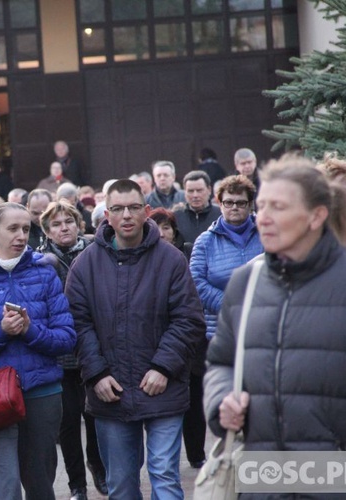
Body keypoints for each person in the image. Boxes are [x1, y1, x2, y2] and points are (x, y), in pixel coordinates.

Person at [204, 157, 346, 496]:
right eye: (261, 205)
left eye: (277, 207)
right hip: (264, 475)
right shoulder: (245, 282)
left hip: (344, 477)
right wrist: (222, 400)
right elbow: (221, 362)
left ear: (316, 215)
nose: (262, 217)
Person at [65, 179, 205, 499]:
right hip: (109, 393)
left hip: (163, 388)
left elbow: (188, 319)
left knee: (165, 477)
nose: (126, 215)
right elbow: (77, 324)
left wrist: (163, 367)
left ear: (145, 212)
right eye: (117, 208)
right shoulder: (86, 265)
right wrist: (97, 374)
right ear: (106, 216)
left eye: (132, 208)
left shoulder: (170, 259)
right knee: (122, 485)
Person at [0, 202, 77, 500]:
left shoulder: (45, 272)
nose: (21, 235)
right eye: (13, 228)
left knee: (40, 483)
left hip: (42, 392)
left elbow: (66, 339)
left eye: (26, 228)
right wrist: (0, 332)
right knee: (6, 483)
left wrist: (29, 331)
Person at [187, 174, 262, 469]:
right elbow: (197, 282)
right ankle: (230, 457)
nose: (234, 208)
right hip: (218, 331)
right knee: (227, 398)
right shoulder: (206, 241)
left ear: (250, 204)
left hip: (261, 327)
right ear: (218, 203)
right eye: (228, 202)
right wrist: (232, 307)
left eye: (240, 203)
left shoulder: (264, 233)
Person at [37, 201, 107, 500]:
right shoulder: (40, 260)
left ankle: (99, 470)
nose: (63, 227)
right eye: (56, 224)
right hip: (60, 352)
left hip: (93, 345)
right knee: (67, 423)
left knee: (96, 415)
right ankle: (76, 484)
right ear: (47, 231)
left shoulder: (94, 252)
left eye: (68, 221)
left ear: (79, 224)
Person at [172, 170, 221, 245]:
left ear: (209, 190)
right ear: (184, 192)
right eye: (191, 191)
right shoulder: (176, 217)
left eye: (199, 190)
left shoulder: (220, 215)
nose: (195, 195)